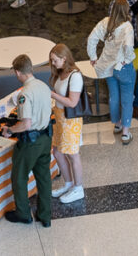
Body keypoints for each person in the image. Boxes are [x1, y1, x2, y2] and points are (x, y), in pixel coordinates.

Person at [2, 54, 53, 228]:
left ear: (17, 72)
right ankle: (45, 216)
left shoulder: (24, 93)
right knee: (44, 177)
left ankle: (23, 214)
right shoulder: (44, 86)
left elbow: (26, 124)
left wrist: (10, 130)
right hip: (46, 138)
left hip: (30, 143)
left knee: (19, 177)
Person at [87, 0, 138, 145]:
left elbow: (92, 38)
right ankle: (125, 133)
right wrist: (127, 59)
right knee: (127, 100)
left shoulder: (105, 22)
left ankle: (117, 124)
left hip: (108, 67)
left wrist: (93, 57)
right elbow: (128, 47)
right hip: (123, 68)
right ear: (126, 11)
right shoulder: (127, 26)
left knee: (113, 97)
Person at [48, 44, 85, 204]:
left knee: (72, 154)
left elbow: (72, 102)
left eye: (55, 60)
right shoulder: (61, 72)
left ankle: (78, 188)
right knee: (57, 152)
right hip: (59, 118)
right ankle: (69, 184)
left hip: (70, 120)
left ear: (64, 58)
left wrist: (52, 95)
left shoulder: (75, 76)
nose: (53, 63)